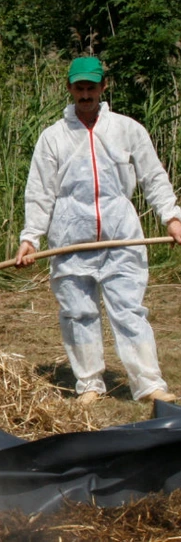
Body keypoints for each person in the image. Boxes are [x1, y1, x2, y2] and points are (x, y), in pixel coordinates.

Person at [15, 55, 181, 406]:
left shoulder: (127, 129)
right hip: (70, 241)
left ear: (103, 87)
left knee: (129, 310)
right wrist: (30, 238)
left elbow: (153, 176)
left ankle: (148, 384)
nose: (86, 94)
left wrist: (171, 216)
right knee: (78, 313)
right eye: (80, 87)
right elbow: (40, 191)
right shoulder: (53, 138)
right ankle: (89, 384)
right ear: (70, 89)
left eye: (92, 87)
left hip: (122, 236)